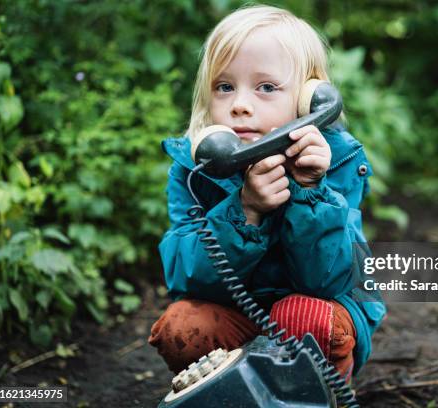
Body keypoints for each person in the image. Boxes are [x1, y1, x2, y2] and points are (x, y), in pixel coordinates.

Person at [148, 4, 386, 385]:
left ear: (311, 101)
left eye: (266, 87)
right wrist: (245, 211)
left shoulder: (337, 162)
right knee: (181, 326)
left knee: (302, 316)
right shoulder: (194, 171)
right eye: (225, 87)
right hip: (235, 318)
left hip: (313, 313)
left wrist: (310, 191)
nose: (240, 104)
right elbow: (187, 279)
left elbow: (331, 280)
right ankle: (232, 390)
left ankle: (317, 390)